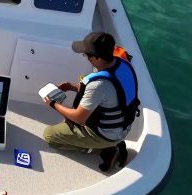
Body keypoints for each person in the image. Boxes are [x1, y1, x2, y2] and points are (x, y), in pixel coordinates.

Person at [41, 31, 139, 172]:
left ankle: (106, 149)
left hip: (105, 134)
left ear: (98, 58)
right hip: (124, 126)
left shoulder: (99, 84)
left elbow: (79, 118)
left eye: (87, 55)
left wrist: (53, 104)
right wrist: (72, 87)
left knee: (50, 136)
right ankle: (111, 144)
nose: (86, 57)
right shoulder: (123, 63)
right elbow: (111, 94)